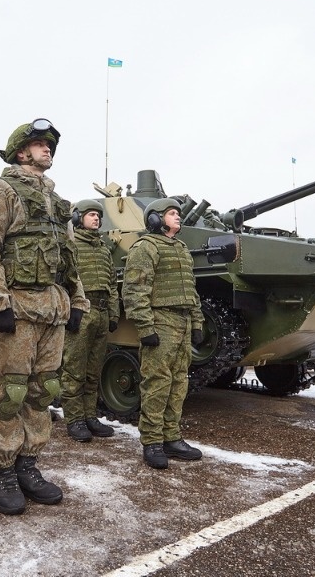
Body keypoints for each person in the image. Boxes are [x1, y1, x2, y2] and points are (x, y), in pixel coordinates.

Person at [0, 119, 89, 515]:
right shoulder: (0, 191)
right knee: (12, 391)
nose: (47, 150)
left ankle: (28, 465)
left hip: (52, 309)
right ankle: (1, 471)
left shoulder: (59, 204)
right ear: (21, 152)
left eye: (49, 145)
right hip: (18, 306)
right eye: (40, 144)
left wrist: (77, 302)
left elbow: (69, 260)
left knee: (43, 391)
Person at [121, 198, 205, 469]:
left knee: (179, 382)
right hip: (161, 321)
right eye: (171, 213)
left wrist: (197, 323)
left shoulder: (180, 248)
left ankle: (172, 436)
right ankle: (152, 441)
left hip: (181, 322)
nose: (177, 217)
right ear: (155, 219)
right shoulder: (146, 247)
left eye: (178, 214)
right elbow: (134, 290)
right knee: (156, 383)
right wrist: (146, 327)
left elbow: (191, 291)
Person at [61, 200, 120, 442]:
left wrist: (114, 313)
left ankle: (89, 415)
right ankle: (74, 419)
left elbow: (112, 285)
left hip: (102, 313)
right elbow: (62, 280)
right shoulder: (70, 246)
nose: (96, 219)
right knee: (74, 369)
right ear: (77, 219)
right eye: (91, 215)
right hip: (81, 312)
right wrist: (70, 310)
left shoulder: (104, 249)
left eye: (98, 215)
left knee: (94, 370)